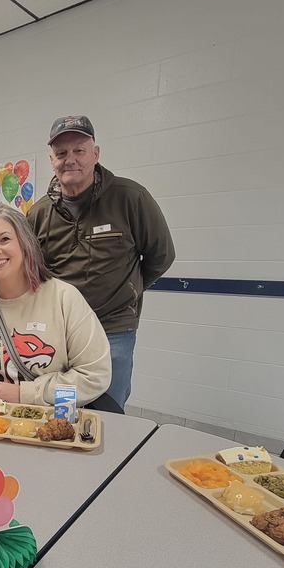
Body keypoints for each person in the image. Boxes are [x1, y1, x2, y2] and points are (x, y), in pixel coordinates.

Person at [27, 115, 175, 409]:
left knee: (108, 409)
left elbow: (161, 256)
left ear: (95, 154)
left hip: (113, 328)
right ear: (51, 160)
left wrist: (127, 291)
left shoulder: (130, 198)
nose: (70, 160)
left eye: (79, 151)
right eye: (61, 153)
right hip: (61, 331)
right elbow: (33, 272)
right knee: (62, 409)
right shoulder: (38, 213)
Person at [0, 205, 111, 406]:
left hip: (51, 426)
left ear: (25, 244)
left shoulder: (64, 298)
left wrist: (26, 394)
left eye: (4, 239)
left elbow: (94, 377)